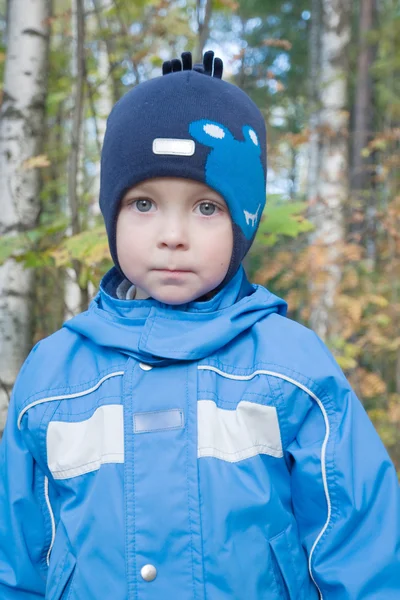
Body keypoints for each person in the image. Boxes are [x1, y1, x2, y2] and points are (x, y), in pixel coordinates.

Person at [0, 50, 399, 600]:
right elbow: (18, 563)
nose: (172, 234)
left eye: (206, 208)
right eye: (143, 203)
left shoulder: (293, 369)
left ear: (244, 222)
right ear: (110, 212)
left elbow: (361, 550)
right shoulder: (53, 377)